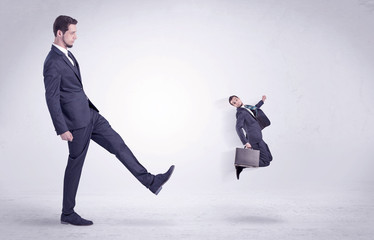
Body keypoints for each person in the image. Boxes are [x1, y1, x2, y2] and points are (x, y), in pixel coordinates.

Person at [43, 15, 174, 226]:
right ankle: (67, 213)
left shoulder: (69, 56)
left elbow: (74, 89)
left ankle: (152, 181)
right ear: (60, 33)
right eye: (72, 33)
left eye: (76, 32)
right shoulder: (52, 62)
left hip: (91, 115)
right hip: (76, 124)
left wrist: (88, 111)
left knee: (118, 145)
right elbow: (51, 98)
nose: (76, 36)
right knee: (75, 165)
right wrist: (62, 128)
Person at [229, 95, 273, 179]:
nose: (236, 102)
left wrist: (262, 101)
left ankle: (243, 163)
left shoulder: (245, 107)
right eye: (234, 103)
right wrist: (245, 142)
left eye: (236, 100)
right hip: (254, 139)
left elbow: (255, 108)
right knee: (266, 162)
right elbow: (238, 127)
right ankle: (241, 165)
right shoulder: (240, 112)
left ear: (239, 98)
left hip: (258, 136)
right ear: (234, 106)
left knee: (270, 158)